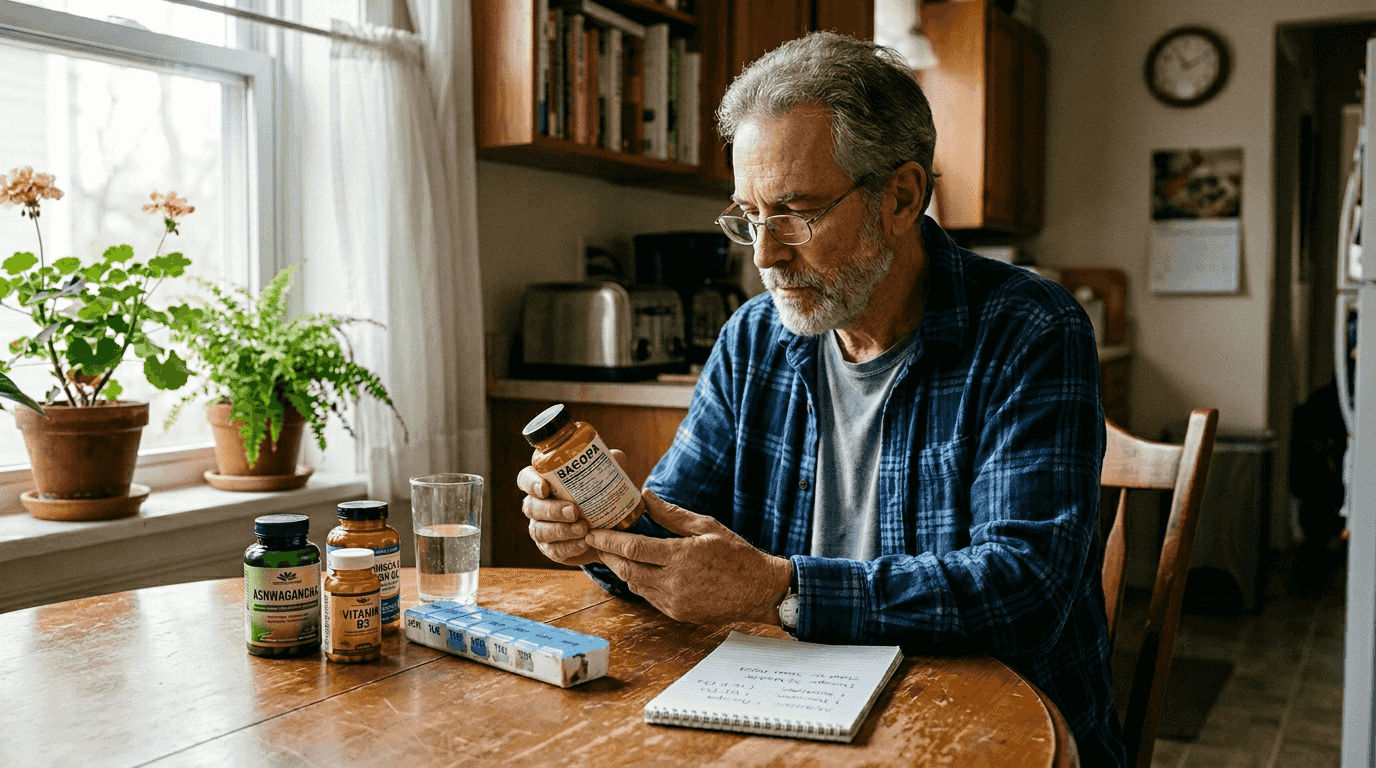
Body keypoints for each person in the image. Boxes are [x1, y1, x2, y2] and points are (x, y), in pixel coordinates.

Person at [519, 32, 1125, 766]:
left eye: (796, 213)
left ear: (901, 196)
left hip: (994, 733)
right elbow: (682, 538)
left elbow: (1029, 588)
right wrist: (600, 524)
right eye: (748, 217)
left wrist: (781, 589)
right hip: (796, 714)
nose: (765, 256)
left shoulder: (1030, 329)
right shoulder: (753, 339)